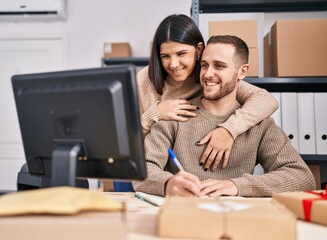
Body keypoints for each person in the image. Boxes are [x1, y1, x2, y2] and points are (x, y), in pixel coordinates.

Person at [133, 35, 316, 197]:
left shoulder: (260, 124)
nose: (208, 74)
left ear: (242, 71)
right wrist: (167, 184)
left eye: (219, 66)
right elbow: (143, 171)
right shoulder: (175, 116)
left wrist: (237, 185)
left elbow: (303, 177)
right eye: (204, 65)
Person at [137, 14, 278, 170]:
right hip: (146, 165)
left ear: (198, 50)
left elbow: (266, 100)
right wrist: (155, 113)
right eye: (165, 56)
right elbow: (128, 138)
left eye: (181, 54)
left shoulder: (209, 77)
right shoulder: (145, 79)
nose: (174, 64)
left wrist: (229, 130)